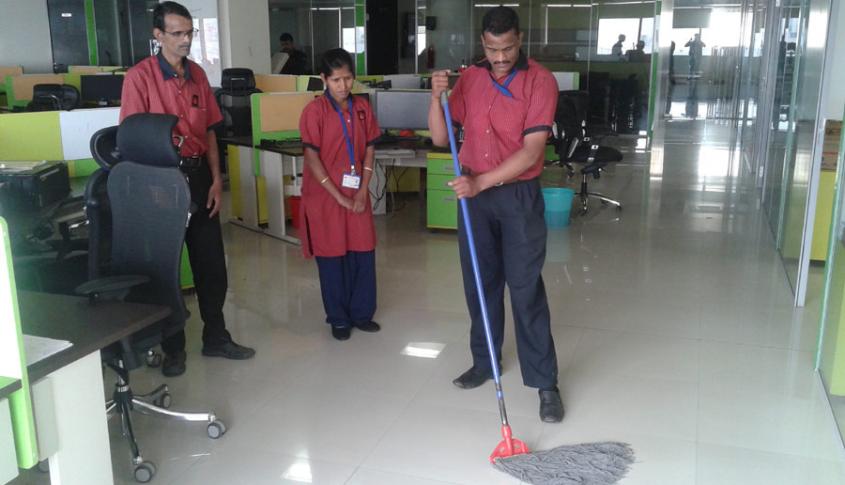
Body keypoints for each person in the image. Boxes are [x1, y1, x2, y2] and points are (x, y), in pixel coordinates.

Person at [427, 6, 563, 423]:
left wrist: (481, 183)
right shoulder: (471, 78)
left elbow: (532, 151)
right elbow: (438, 134)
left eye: (506, 48)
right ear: (482, 43)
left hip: (517, 196)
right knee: (479, 287)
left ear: (519, 39)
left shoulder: (540, 81)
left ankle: (545, 382)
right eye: (491, 49)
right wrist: (435, 97)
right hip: (477, 200)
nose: (500, 57)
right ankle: (484, 362)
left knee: (525, 291)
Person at [120, 1, 255, 377]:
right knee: (166, 269)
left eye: (189, 32)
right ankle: (173, 346)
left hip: (198, 178)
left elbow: (209, 132)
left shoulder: (197, 75)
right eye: (177, 33)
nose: (185, 40)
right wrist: (155, 188)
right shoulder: (140, 78)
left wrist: (216, 180)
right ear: (158, 35)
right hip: (159, 181)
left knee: (212, 265)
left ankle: (216, 337)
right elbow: (133, 140)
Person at [298, 48, 381, 341]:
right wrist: (338, 196)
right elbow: (312, 158)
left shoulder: (361, 108)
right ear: (324, 79)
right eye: (336, 80)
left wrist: (362, 190)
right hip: (324, 194)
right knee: (332, 254)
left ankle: (361, 313)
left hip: (357, 191)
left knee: (362, 250)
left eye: (347, 79)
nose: (343, 86)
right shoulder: (315, 112)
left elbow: (370, 147)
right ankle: (339, 318)